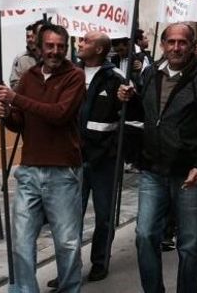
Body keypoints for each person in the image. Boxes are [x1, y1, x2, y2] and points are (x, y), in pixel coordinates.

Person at [118, 23, 197, 293]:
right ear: (163, 44)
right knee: (144, 236)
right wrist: (128, 99)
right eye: (171, 42)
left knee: (189, 243)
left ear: (192, 46)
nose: (176, 47)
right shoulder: (152, 73)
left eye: (182, 42)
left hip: (188, 173)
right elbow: (146, 115)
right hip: (152, 169)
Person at [0, 24, 86, 293]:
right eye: (50, 46)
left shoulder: (75, 76)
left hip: (63, 171)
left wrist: (16, 100)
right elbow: (20, 123)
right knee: (21, 241)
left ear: (66, 47)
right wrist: (5, 114)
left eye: (60, 46)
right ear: (40, 47)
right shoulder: (29, 76)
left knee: (67, 242)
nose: (55, 51)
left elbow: (60, 114)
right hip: (30, 170)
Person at [77, 31, 127, 282]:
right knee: (69, 217)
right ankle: (68, 266)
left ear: (98, 49)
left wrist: (115, 149)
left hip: (104, 160)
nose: (79, 44)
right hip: (73, 159)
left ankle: (100, 261)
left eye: (85, 41)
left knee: (104, 214)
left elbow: (129, 116)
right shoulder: (70, 75)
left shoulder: (115, 78)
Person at [9, 21, 42, 90]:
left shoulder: (48, 57)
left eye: (32, 36)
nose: (30, 39)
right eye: (28, 37)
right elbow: (14, 85)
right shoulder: (20, 58)